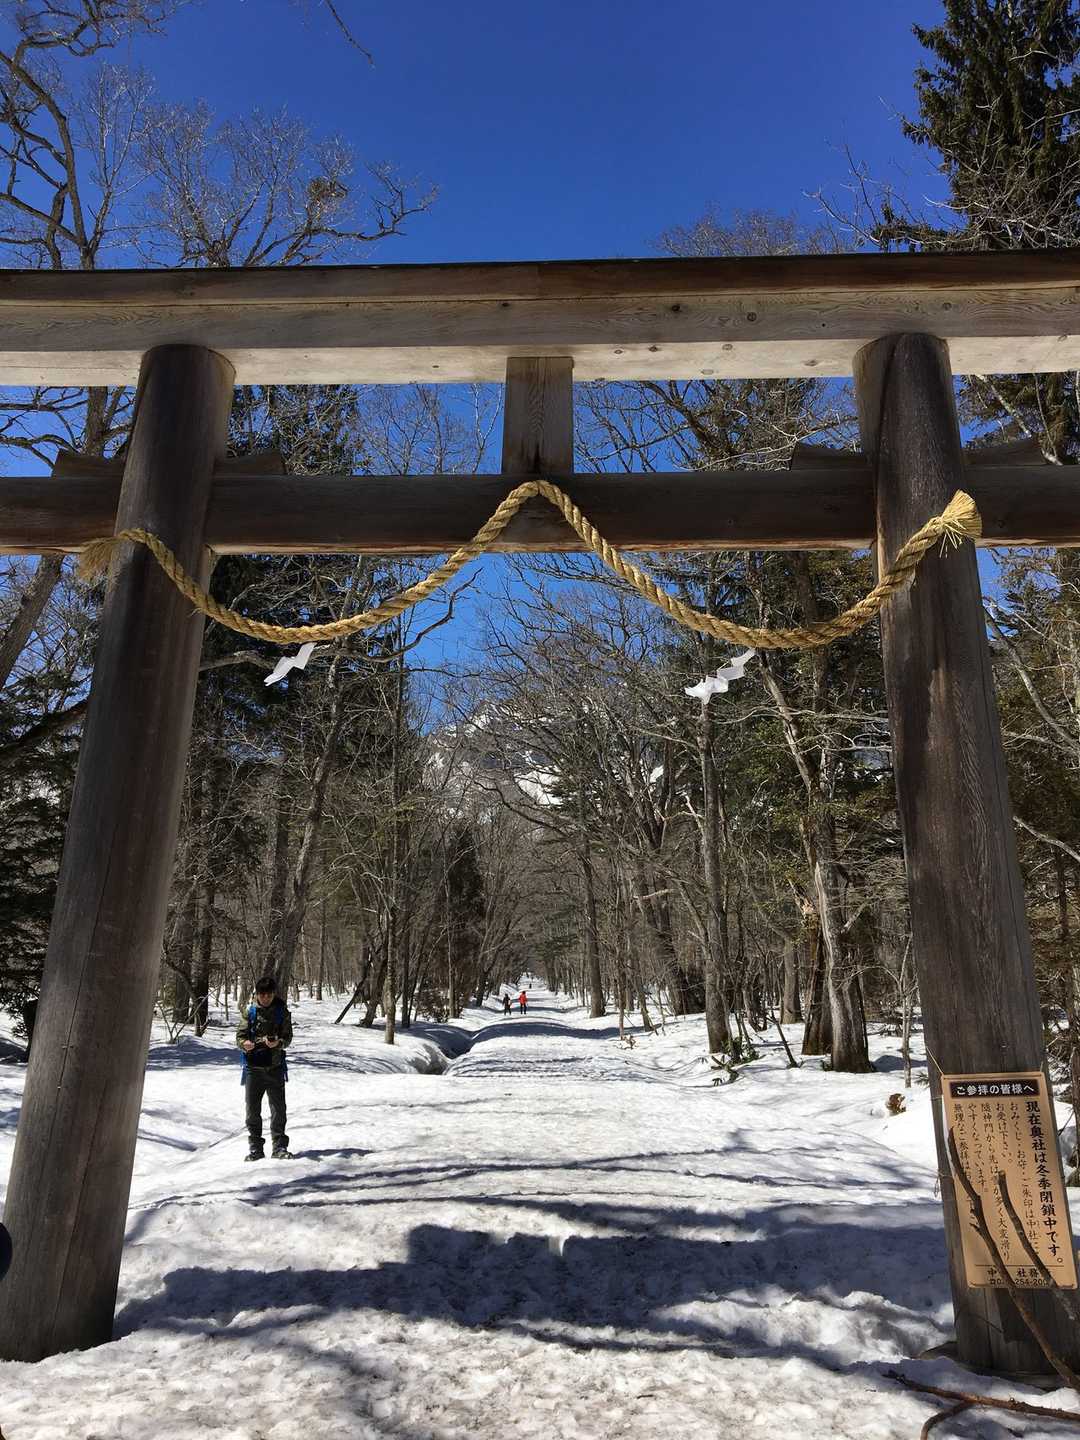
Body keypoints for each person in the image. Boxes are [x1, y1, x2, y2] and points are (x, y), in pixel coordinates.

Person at [237, 974, 293, 1160]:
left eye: (269, 995)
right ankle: (255, 1148)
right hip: (253, 1068)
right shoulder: (250, 1012)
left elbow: (288, 1038)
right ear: (257, 994)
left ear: (274, 994)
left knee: (278, 1110)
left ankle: (279, 1147)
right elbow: (239, 1036)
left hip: (275, 1067)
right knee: (252, 1111)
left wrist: (277, 1043)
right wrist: (244, 1044)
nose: (266, 998)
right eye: (262, 995)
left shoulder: (282, 1012)